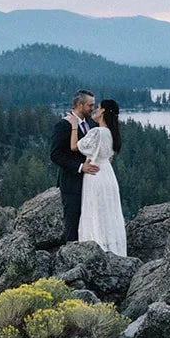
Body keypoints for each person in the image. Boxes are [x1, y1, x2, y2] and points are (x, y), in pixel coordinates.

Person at [73, 99, 126, 255]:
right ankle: (113, 250)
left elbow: (75, 146)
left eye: (98, 107)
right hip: (107, 174)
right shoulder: (111, 133)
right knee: (108, 212)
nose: (95, 110)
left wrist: (74, 125)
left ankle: (96, 249)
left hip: (95, 176)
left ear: (103, 111)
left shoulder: (98, 132)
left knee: (94, 211)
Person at [49, 89, 100, 241]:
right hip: (71, 185)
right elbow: (55, 155)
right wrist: (80, 167)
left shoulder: (91, 124)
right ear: (79, 104)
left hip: (90, 183)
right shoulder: (63, 126)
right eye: (90, 105)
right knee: (73, 224)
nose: (93, 108)